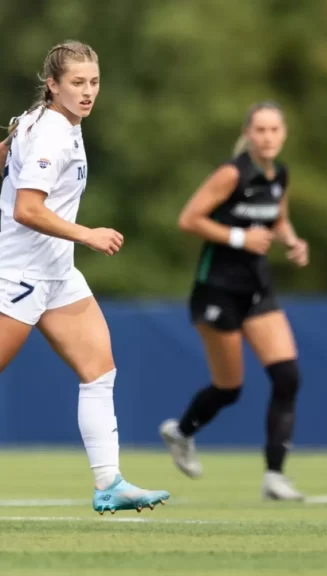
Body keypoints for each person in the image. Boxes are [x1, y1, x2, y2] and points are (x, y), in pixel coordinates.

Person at [0, 41, 170, 514]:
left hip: (56, 273)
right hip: (19, 274)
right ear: (53, 85)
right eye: (77, 82)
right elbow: (26, 208)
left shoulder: (39, 121)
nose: (88, 91)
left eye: (93, 82)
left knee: (99, 371)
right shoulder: (51, 132)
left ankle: (109, 483)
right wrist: (87, 234)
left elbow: (6, 159)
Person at [159, 101, 309, 501]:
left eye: (274, 129)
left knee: (287, 376)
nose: (268, 137)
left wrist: (291, 241)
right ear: (248, 133)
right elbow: (188, 219)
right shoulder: (231, 173)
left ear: (284, 133)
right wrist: (239, 238)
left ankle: (274, 476)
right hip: (217, 290)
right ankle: (181, 431)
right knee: (229, 388)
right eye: (260, 130)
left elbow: (277, 218)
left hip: (256, 289)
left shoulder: (280, 175)